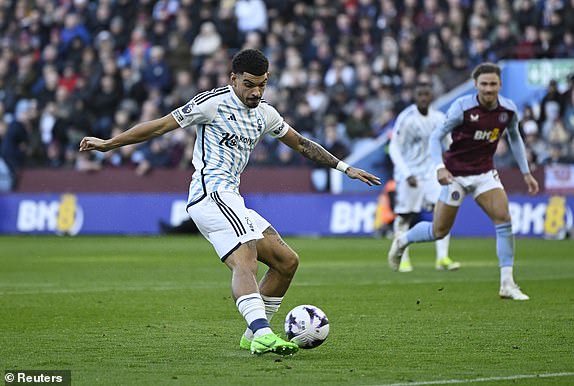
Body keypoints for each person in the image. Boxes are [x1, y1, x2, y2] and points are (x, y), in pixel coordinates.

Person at [80, 49, 381, 355]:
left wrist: (346, 168)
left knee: (286, 262)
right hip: (210, 195)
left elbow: (301, 144)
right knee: (245, 258)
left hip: (232, 197)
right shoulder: (211, 103)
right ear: (233, 79)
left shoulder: (266, 114)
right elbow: (160, 126)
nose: (256, 92)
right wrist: (110, 143)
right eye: (249, 84)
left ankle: (253, 335)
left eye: (262, 85)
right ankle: (263, 333)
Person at [387, 62, 539, 300]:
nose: (489, 89)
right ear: (476, 85)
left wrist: (526, 172)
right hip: (455, 175)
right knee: (438, 231)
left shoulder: (508, 110)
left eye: (493, 84)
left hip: (485, 174)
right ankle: (402, 241)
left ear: (500, 84)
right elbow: (436, 137)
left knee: (504, 219)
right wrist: (440, 167)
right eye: (484, 84)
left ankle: (507, 283)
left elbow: (515, 138)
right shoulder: (463, 107)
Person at [388, 75, 460, 273]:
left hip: (432, 174)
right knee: (405, 216)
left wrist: (452, 165)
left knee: (443, 212)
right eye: (420, 94)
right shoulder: (406, 118)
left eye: (427, 94)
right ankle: (402, 257)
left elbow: (449, 144)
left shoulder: (438, 118)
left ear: (432, 96)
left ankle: (442, 258)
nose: (423, 97)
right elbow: (394, 148)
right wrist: (405, 173)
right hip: (409, 175)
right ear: (414, 96)